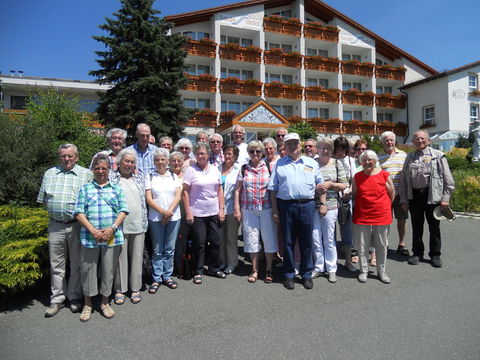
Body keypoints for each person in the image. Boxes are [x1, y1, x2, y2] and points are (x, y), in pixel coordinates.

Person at [37, 144, 93, 317]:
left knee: (77, 264)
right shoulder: (50, 173)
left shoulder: (86, 174)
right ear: (59, 157)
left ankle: (74, 297)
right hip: (55, 225)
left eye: (70, 156)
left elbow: (91, 200)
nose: (67, 159)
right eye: (63, 156)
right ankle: (57, 299)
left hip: (77, 225)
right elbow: (43, 199)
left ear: (76, 156)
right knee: (57, 266)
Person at [268, 133, 326, 290]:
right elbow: (273, 189)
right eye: (289, 144)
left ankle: (306, 274)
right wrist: (275, 210)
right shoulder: (279, 164)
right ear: (285, 147)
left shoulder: (311, 163)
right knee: (288, 242)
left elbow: (320, 186)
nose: (293, 146)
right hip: (286, 206)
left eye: (295, 143)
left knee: (306, 241)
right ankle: (288, 274)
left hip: (307, 205)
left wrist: (323, 203)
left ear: (300, 145)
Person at [74, 154, 128, 321]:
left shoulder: (116, 188)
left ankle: (105, 302)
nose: (100, 171)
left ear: (109, 170)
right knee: (88, 270)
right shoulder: (85, 189)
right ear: (92, 170)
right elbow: (79, 212)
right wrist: (93, 230)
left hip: (111, 236)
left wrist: (111, 229)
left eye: (104, 168)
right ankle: (88, 304)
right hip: (90, 237)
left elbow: (123, 211)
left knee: (108, 270)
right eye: (97, 168)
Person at [399, 130, 455, 268]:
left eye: (422, 138)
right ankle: (417, 253)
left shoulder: (438, 155)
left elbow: (448, 180)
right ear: (413, 142)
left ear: (428, 140)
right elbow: (404, 181)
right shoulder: (410, 157)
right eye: (416, 139)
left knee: (434, 227)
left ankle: (435, 255)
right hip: (415, 197)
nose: (420, 141)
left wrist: (445, 199)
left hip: (433, 196)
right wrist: (404, 199)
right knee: (417, 227)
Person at [234, 141, 278, 283]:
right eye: (252, 151)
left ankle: (269, 269)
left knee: (269, 239)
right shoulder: (244, 168)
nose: (255, 154)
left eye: (258, 151)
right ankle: (254, 269)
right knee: (251, 239)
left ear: (262, 152)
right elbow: (238, 190)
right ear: (248, 153)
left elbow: (273, 190)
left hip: (266, 208)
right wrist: (237, 208)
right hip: (248, 209)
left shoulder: (269, 167)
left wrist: (275, 210)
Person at [183, 142, 225, 284]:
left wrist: (221, 209)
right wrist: (188, 212)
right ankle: (198, 271)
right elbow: (185, 192)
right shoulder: (190, 170)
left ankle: (214, 268)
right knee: (199, 244)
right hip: (198, 213)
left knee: (216, 242)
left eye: (203, 153)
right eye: (198, 153)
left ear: (208, 155)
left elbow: (219, 190)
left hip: (213, 212)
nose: (201, 156)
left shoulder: (214, 169)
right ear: (195, 155)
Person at [110, 149, 148, 305]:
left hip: (138, 223)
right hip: (119, 225)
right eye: (127, 161)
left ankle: (135, 288)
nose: (129, 164)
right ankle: (120, 289)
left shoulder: (139, 178)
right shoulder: (112, 178)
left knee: (137, 258)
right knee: (120, 258)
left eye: (132, 162)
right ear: (119, 162)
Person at [352, 150, 394, 284]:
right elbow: (355, 193)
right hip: (362, 215)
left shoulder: (384, 175)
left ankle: (381, 272)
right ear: (361, 162)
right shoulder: (357, 176)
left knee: (381, 245)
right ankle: (363, 271)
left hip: (381, 215)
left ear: (375, 161)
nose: (367, 162)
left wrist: (383, 206)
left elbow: (392, 194)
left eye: (370, 159)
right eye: (364, 160)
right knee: (362, 245)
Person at [145, 148, 182, 293]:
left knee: (170, 248)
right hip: (155, 217)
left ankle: (167, 276)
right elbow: (149, 198)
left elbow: (178, 196)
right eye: (157, 160)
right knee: (157, 249)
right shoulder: (149, 176)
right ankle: (156, 278)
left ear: (167, 161)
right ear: (154, 162)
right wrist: (162, 212)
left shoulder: (174, 176)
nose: (160, 162)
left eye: (163, 159)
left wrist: (169, 212)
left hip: (174, 217)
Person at [312, 138, 348, 283]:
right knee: (315, 238)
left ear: (332, 150)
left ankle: (331, 268)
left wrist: (330, 184)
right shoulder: (312, 163)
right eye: (322, 147)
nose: (325, 150)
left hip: (331, 206)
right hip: (313, 205)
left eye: (327, 148)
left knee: (328, 238)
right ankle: (319, 267)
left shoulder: (337, 163)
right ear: (317, 149)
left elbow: (345, 184)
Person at [378, 131, 409, 256]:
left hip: (401, 194)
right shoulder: (378, 157)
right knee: (385, 221)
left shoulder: (403, 155)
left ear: (394, 141)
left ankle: (401, 244)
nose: (389, 142)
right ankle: (384, 244)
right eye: (386, 140)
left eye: (391, 140)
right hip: (385, 195)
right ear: (382, 142)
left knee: (402, 220)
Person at [333, 136, 357, 272]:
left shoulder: (350, 160)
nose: (340, 151)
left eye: (343, 148)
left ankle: (348, 260)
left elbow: (353, 179)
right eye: (338, 148)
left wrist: (349, 191)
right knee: (331, 230)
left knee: (346, 228)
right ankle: (332, 260)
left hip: (346, 198)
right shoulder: (330, 160)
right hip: (332, 198)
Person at [220, 144, 241, 274]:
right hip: (216, 208)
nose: (227, 156)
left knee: (231, 237)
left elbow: (239, 190)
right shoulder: (216, 168)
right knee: (220, 237)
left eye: (230, 154)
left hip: (231, 207)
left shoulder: (239, 170)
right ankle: (222, 261)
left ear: (235, 156)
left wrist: (238, 209)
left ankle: (232, 262)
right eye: (226, 153)